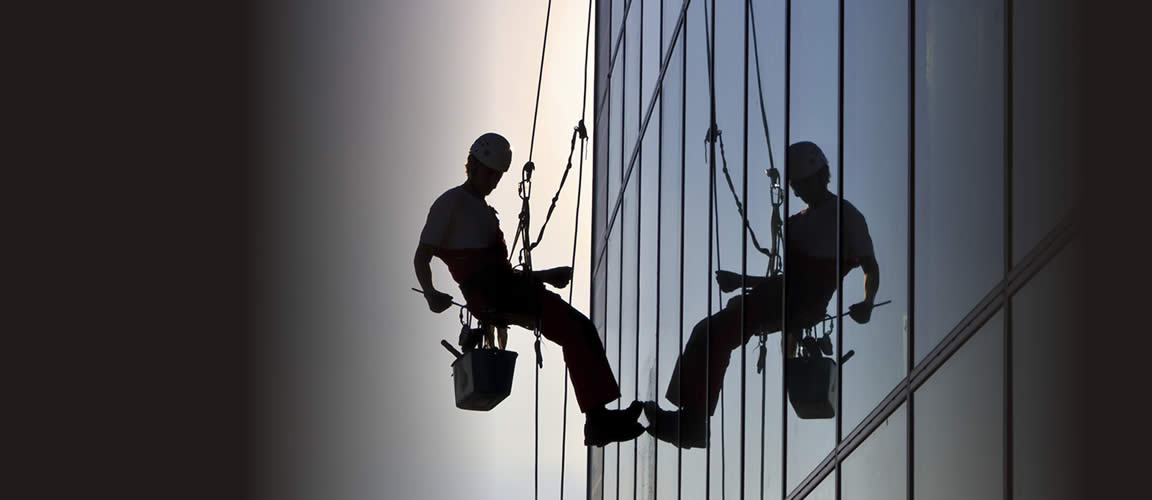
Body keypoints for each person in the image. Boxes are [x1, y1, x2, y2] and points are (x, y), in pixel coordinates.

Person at [414, 132, 645, 446]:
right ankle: (598, 419)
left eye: (498, 175)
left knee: (578, 328)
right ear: (474, 165)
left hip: (502, 289)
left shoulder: (482, 211)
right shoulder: (451, 203)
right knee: (574, 328)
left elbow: (503, 273)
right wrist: (430, 294)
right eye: (490, 172)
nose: (494, 180)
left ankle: (599, 416)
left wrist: (546, 275)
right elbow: (422, 256)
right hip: (492, 294)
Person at [644, 141, 881, 448]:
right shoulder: (796, 223)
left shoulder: (847, 217)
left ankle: (692, 422)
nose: (797, 193)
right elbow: (788, 280)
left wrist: (868, 302)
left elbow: (869, 266)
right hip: (787, 297)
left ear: (821, 177)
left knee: (715, 332)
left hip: (801, 302)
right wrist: (742, 280)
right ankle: (691, 419)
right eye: (795, 186)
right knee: (709, 331)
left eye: (801, 184)